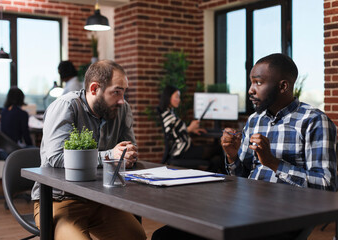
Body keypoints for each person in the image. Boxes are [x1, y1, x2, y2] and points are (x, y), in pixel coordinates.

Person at [152, 53, 337, 240]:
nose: (250, 90)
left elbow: (327, 188)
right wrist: (233, 157)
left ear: (283, 86)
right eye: (251, 83)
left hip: (281, 216)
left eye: (258, 83)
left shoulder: (314, 121)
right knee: (165, 236)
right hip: (243, 208)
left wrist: (274, 163)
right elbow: (241, 177)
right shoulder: (254, 120)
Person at [31, 60, 146, 240]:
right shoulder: (66, 106)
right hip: (59, 200)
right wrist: (110, 156)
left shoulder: (122, 109)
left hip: (101, 199)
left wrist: (128, 154)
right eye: (116, 92)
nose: (122, 100)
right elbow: (56, 157)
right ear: (94, 89)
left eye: (124, 92)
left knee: (135, 237)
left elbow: (128, 150)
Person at [158, 85, 224, 173]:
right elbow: (171, 135)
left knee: (217, 159)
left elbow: (177, 130)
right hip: (181, 152)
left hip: (185, 149)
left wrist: (191, 129)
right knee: (218, 149)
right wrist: (189, 128)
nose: (179, 100)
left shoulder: (171, 112)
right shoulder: (167, 115)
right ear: (168, 97)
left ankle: (211, 175)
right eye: (176, 97)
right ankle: (225, 176)